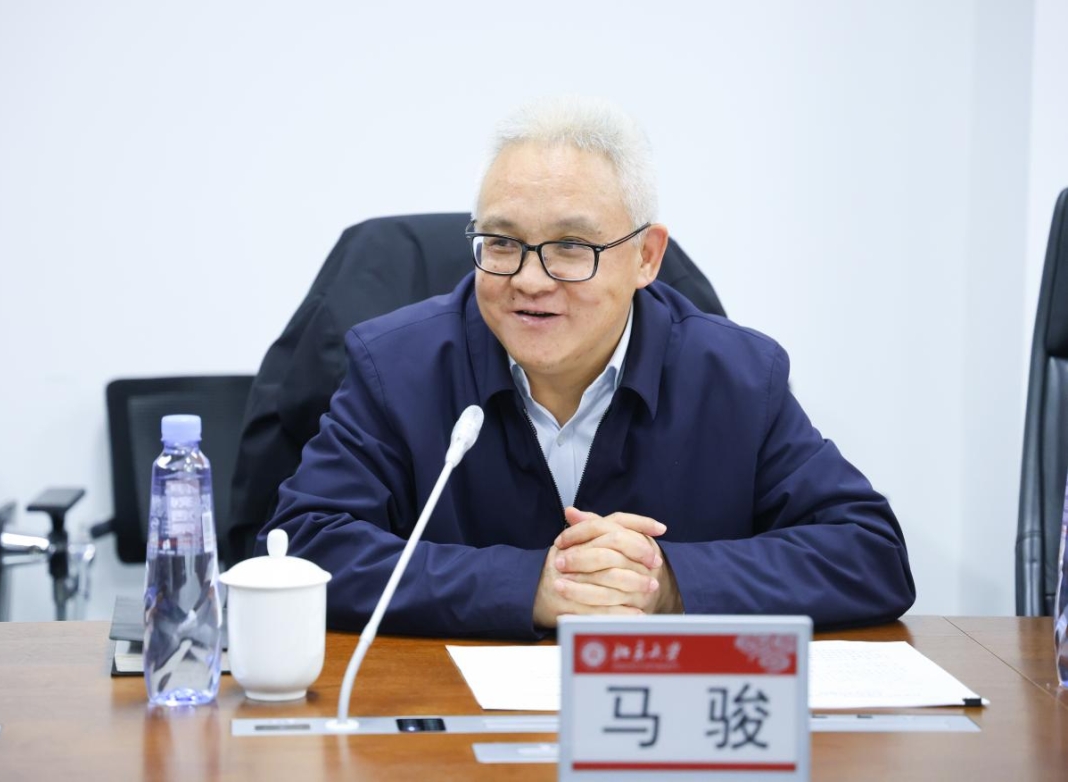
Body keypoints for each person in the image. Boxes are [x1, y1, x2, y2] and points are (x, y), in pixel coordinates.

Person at [260, 96, 915, 639]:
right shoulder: (396, 366)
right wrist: (527, 588)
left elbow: (870, 553)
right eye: (502, 242)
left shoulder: (737, 375)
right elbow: (301, 546)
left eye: (571, 246)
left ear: (647, 257)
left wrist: (668, 583)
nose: (530, 279)